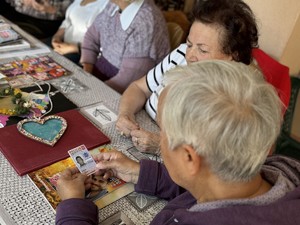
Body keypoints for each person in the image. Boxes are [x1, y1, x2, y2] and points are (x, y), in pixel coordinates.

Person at [55, 60, 300, 225]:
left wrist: (73, 206)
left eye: (162, 131)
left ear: (189, 158)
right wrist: (140, 172)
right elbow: (212, 180)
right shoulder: (277, 172)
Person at [116, 0, 259, 153]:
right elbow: (139, 87)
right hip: (139, 132)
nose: (189, 55)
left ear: (233, 56)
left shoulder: (233, 98)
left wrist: (162, 146)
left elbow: (212, 158)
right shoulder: (181, 54)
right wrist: (126, 114)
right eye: (190, 44)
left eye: (202, 50)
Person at [80, 0, 170, 93]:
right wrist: (87, 70)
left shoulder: (145, 20)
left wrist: (91, 90)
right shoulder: (113, 5)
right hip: (99, 74)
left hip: (124, 91)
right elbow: (91, 37)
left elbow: (129, 79)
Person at [49, 0, 109, 64]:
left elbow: (103, 46)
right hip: (63, 44)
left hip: (82, 54)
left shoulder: (107, 5)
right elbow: (67, 21)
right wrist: (57, 37)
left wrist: (72, 48)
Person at [1, 0, 73, 39]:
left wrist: (52, 10)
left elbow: (74, 10)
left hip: (44, 24)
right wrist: (21, 1)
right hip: (14, 15)